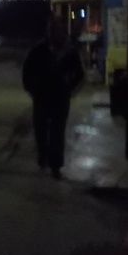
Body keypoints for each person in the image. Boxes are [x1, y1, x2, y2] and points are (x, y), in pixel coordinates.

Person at [22, 17, 84, 179]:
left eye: (57, 31)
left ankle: (55, 164)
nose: (54, 34)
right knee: (41, 130)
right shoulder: (39, 50)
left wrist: (69, 88)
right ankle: (43, 157)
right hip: (42, 96)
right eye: (51, 31)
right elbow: (27, 72)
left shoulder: (69, 52)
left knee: (57, 132)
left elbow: (79, 74)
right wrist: (32, 89)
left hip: (60, 97)